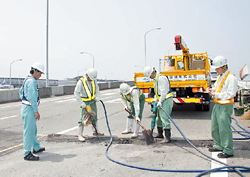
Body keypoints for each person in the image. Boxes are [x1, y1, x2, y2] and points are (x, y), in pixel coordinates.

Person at [207, 56, 237, 158]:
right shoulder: (220, 77)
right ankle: (219, 145)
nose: (216, 70)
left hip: (225, 106)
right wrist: (211, 91)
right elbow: (216, 88)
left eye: (218, 68)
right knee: (215, 127)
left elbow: (231, 93)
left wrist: (217, 94)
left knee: (224, 128)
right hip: (217, 105)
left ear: (224, 66)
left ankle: (228, 150)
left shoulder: (231, 78)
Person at [19, 62, 45, 161]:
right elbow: (32, 98)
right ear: (35, 71)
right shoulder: (32, 82)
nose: (40, 75)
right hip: (29, 109)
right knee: (29, 132)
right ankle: (27, 153)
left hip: (26, 107)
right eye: (40, 73)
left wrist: (24, 101)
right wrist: (36, 111)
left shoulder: (27, 79)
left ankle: (36, 147)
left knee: (33, 130)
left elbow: (21, 92)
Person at [143, 66, 173, 143]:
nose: (150, 77)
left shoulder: (161, 78)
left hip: (166, 100)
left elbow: (163, 92)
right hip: (161, 99)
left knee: (164, 118)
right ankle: (160, 134)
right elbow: (158, 92)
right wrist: (155, 99)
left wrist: (160, 101)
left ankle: (167, 137)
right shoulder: (156, 79)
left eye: (150, 76)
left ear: (153, 72)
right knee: (158, 119)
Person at [74, 68, 103, 142]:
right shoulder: (81, 82)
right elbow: (76, 93)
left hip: (92, 101)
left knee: (94, 116)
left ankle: (95, 131)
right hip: (85, 103)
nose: (91, 80)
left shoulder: (94, 80)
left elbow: (97, 89)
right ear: (87, 75)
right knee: (83, 118)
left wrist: (97, 97)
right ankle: (80, 134)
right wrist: (81, 103)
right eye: (90, 78)